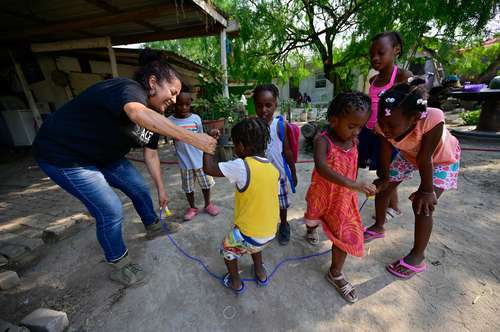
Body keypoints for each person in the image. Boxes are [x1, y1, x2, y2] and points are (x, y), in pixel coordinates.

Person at [32, 49, 217, 286]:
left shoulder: (155, 118)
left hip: (104, 156)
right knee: (110, 210)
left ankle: (152, 225)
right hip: (64, 155)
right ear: (152, 82)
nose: (173, 100)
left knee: (139, 188)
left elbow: (151, 155)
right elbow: (136, 113)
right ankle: (118, 263)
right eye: (172, 92)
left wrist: (161, 189)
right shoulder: (127, 89)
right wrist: (193, 138)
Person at [366, 78, 460, 279]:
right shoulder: (385, 123)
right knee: (384, 189)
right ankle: (378, 225)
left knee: (422, 205)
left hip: (442, 159)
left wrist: (426, 191)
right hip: (409, 154)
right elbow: (385, 152)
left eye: (391, 125)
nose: (385, 129)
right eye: (382, 123)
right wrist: (384, 177)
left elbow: (426, 158)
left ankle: (417, 257)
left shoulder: (432, 119)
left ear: (415, 117)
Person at [304, 92, 376, 303]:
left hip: (343, 198)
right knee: (313, 216)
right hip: (322, 193)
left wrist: (357, 187)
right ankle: (310, 229)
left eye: (360, 127)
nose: (356, 132)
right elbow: (322, 168)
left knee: (345, 235)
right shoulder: (322, 141)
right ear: (334, 120)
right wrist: (355, 185)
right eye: (351, 126)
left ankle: (335, 273)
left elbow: (352, 167)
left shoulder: (354, 141)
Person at [203, 118, 279, 294]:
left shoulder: (242, 166)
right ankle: (260, 272)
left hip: (249, 235)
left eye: (235, 145)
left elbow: (208, 168)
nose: (235, 150)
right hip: (269, 234)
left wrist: (208, 144)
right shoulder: (272, 169)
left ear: (242, 146)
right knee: (254, 243)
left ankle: (235, 282)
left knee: (228, 249)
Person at [360, 31, 412, 230]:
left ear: (396, 50)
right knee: (383, 172)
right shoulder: (373, 81)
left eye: (381, 53)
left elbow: (411, 107)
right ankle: (392, 205)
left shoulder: (402, 76)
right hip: (372, 133)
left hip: (389, 137)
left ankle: (394, 207)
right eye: (372, 55)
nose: (375, 58)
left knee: (387, 172)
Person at [148, 87, 219, 221]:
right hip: (184, 162)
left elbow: (200, 136)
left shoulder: (196, 118)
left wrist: (210, 136)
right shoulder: (169, 121)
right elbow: (168, 136)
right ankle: (192, 207)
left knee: (206, 184)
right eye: (180, 104)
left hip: (200, 160)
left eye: (187, 104)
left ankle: (208, 204)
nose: (184, 107)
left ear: (191, 103)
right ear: (174, 104)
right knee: (188, 188)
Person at [254, 84, 297, 245]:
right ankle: (268, 224)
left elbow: (287, 151)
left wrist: (293, 172)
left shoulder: (280, 125)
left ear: (275, 105)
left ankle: (284, 224)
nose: (263, 109)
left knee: (282, 204)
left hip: (279, 175)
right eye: (259, 105)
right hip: (261, 178)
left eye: (268, 105)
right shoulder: (254, 125)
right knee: (264, 203)